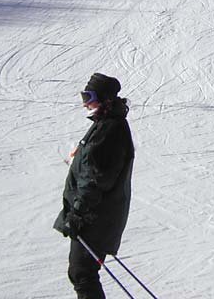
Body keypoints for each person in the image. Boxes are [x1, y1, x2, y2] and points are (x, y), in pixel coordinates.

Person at [54, 73, 135, 299]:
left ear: (106, 100)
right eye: (83, 96)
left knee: (82, 273)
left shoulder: (110, 129)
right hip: (96, 215)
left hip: (95, 217)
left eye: (89, 96)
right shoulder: (106, 125)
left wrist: (78, 214)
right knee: (82, 272)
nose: (85, 103)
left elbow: (95, 179)